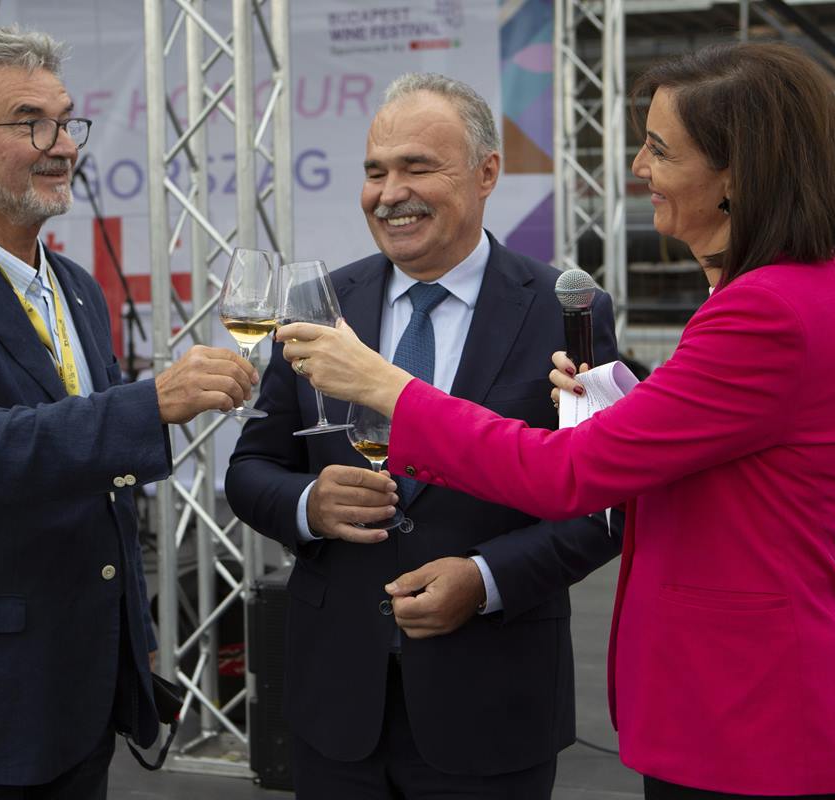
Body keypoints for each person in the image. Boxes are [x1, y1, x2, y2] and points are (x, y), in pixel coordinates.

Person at [277, 42, 835, 800]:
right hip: (739, 717)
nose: (639, 166)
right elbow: (713, 454)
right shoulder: (787, 290)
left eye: (660, 149)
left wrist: (389, 389)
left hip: (756, 725)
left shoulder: (765, 308)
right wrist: (622, 408)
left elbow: (568, 475)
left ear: (737, 172)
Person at [0, 26, 258, 799]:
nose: (63, 144)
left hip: (76, 691)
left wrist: (131, 632)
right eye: (32, 122)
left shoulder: (76, 287)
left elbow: (94, 470)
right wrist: (151, 403)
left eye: (67, 121)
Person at [226, 73, 620, 799]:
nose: (389, 192)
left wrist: (486, 580)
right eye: (375, 172)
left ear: (486, 172)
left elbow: (601, 505)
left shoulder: (568, 308)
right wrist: (309, 502)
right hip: (337, 707)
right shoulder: (320, 303)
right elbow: (250, 469)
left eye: (417, 167)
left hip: (494, 701)